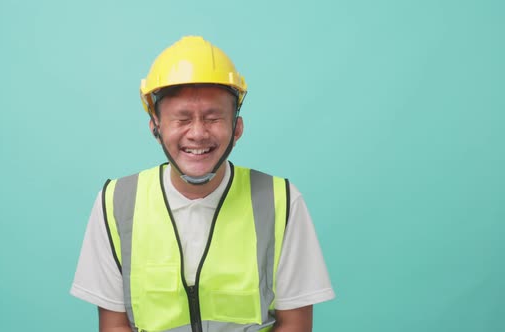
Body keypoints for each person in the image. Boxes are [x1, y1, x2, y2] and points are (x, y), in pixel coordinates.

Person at [71, 36, 335, 331]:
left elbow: (296, 325)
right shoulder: (116, 202)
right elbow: (114, 326)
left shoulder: (280, 201)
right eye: (182, 119)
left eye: (213, 118)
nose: (197, 133)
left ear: (237, 127)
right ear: (155, 127)